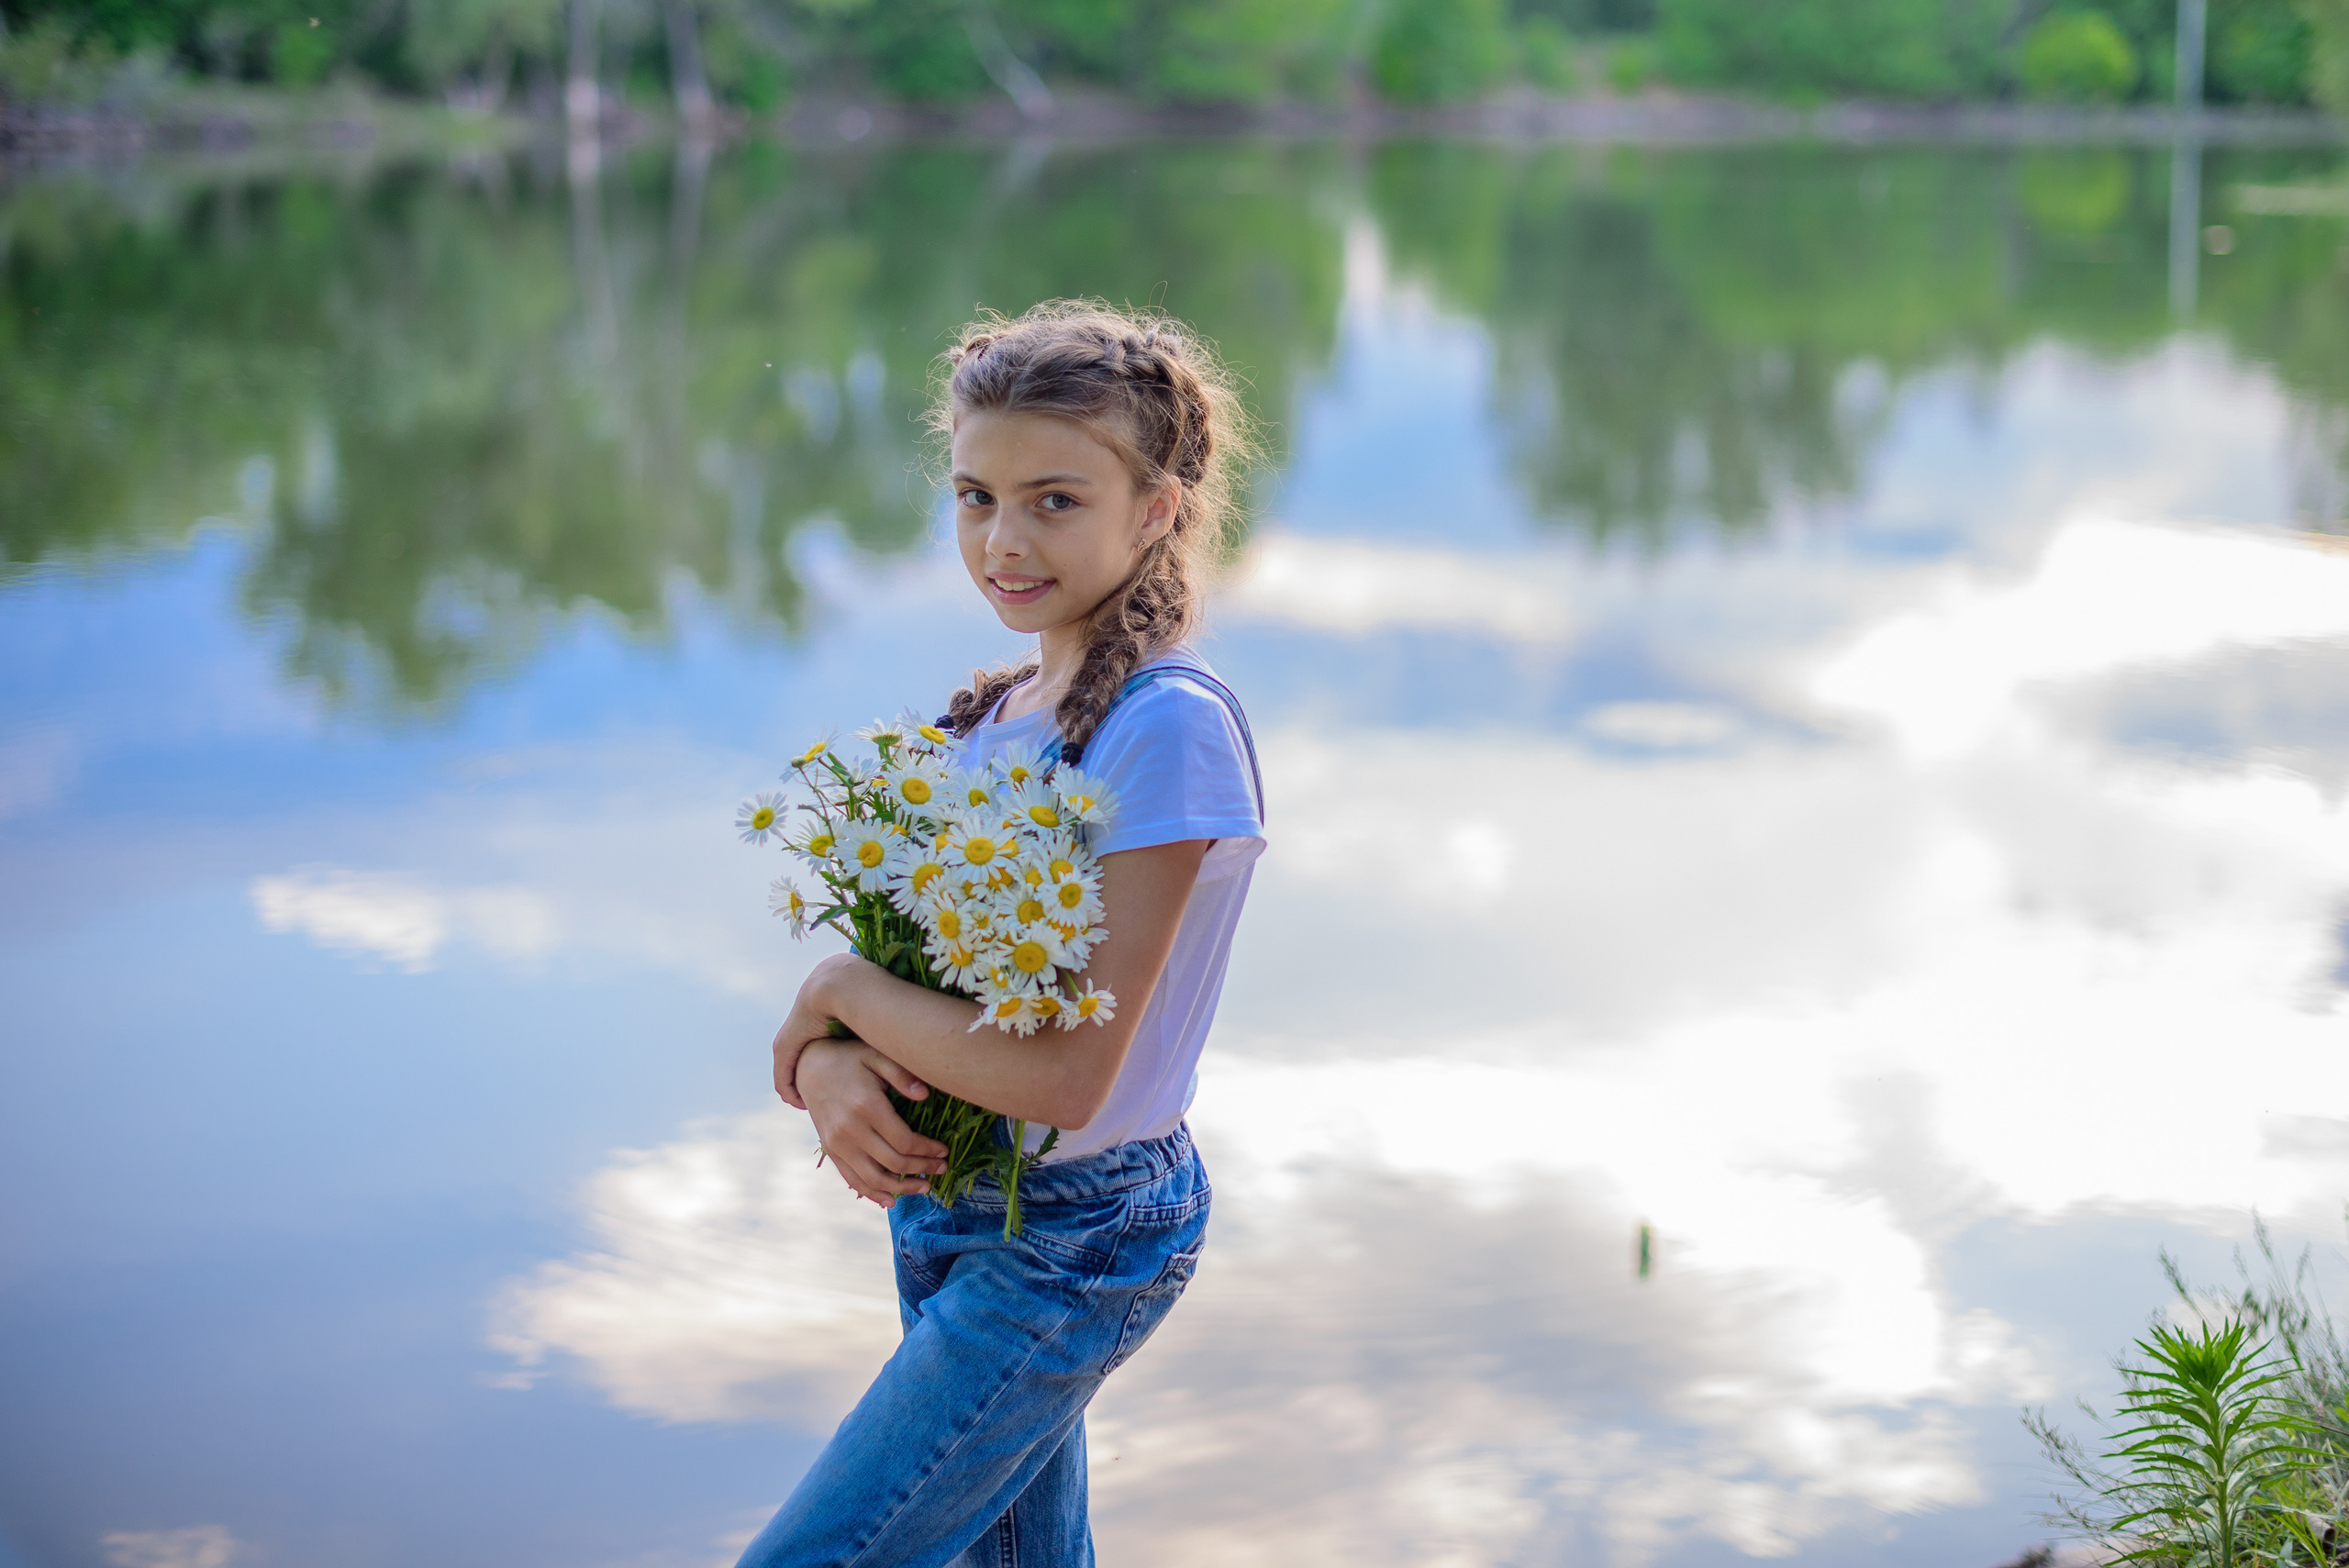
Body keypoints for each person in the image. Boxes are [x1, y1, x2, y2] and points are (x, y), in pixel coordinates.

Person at [740, 300, 1266, 1568]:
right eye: (975, 496)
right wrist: (825, 1062)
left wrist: (837, 988)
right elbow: (921, 1011)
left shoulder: (1164, 726)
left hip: (1079, 1230)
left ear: (1158, 507)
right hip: (952, 1200)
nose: (1002, 537)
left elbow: (1065, 1069)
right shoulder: (987, 725)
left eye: (1054, 499)